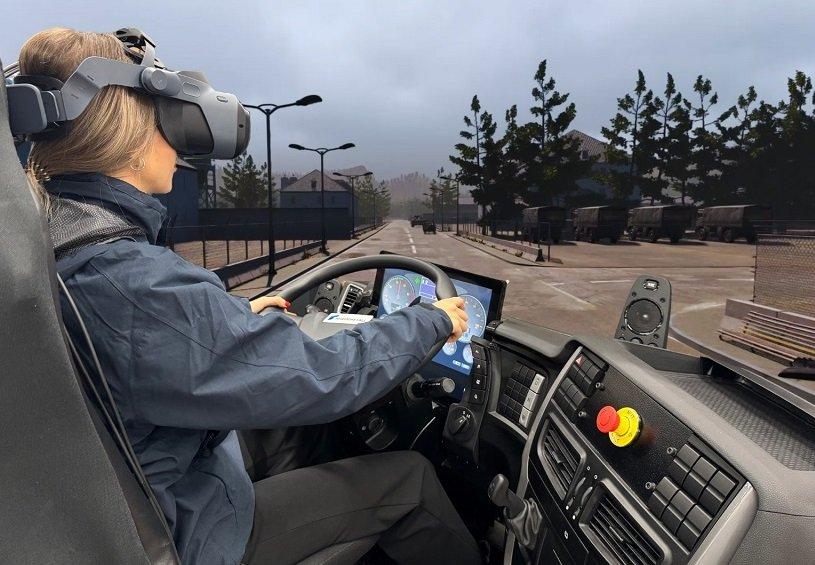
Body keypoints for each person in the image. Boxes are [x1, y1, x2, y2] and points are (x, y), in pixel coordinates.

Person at [20, 28, 481, 565]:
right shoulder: (128, 279)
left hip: (137, 493)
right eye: (164, 119)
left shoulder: (48, 238)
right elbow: (325, 375)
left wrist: (231, 319)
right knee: (411, 481)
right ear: (129, 129)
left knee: (302, 432)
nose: (178, 144)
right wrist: (429, 322)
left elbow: (151, 345)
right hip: (188, 532)